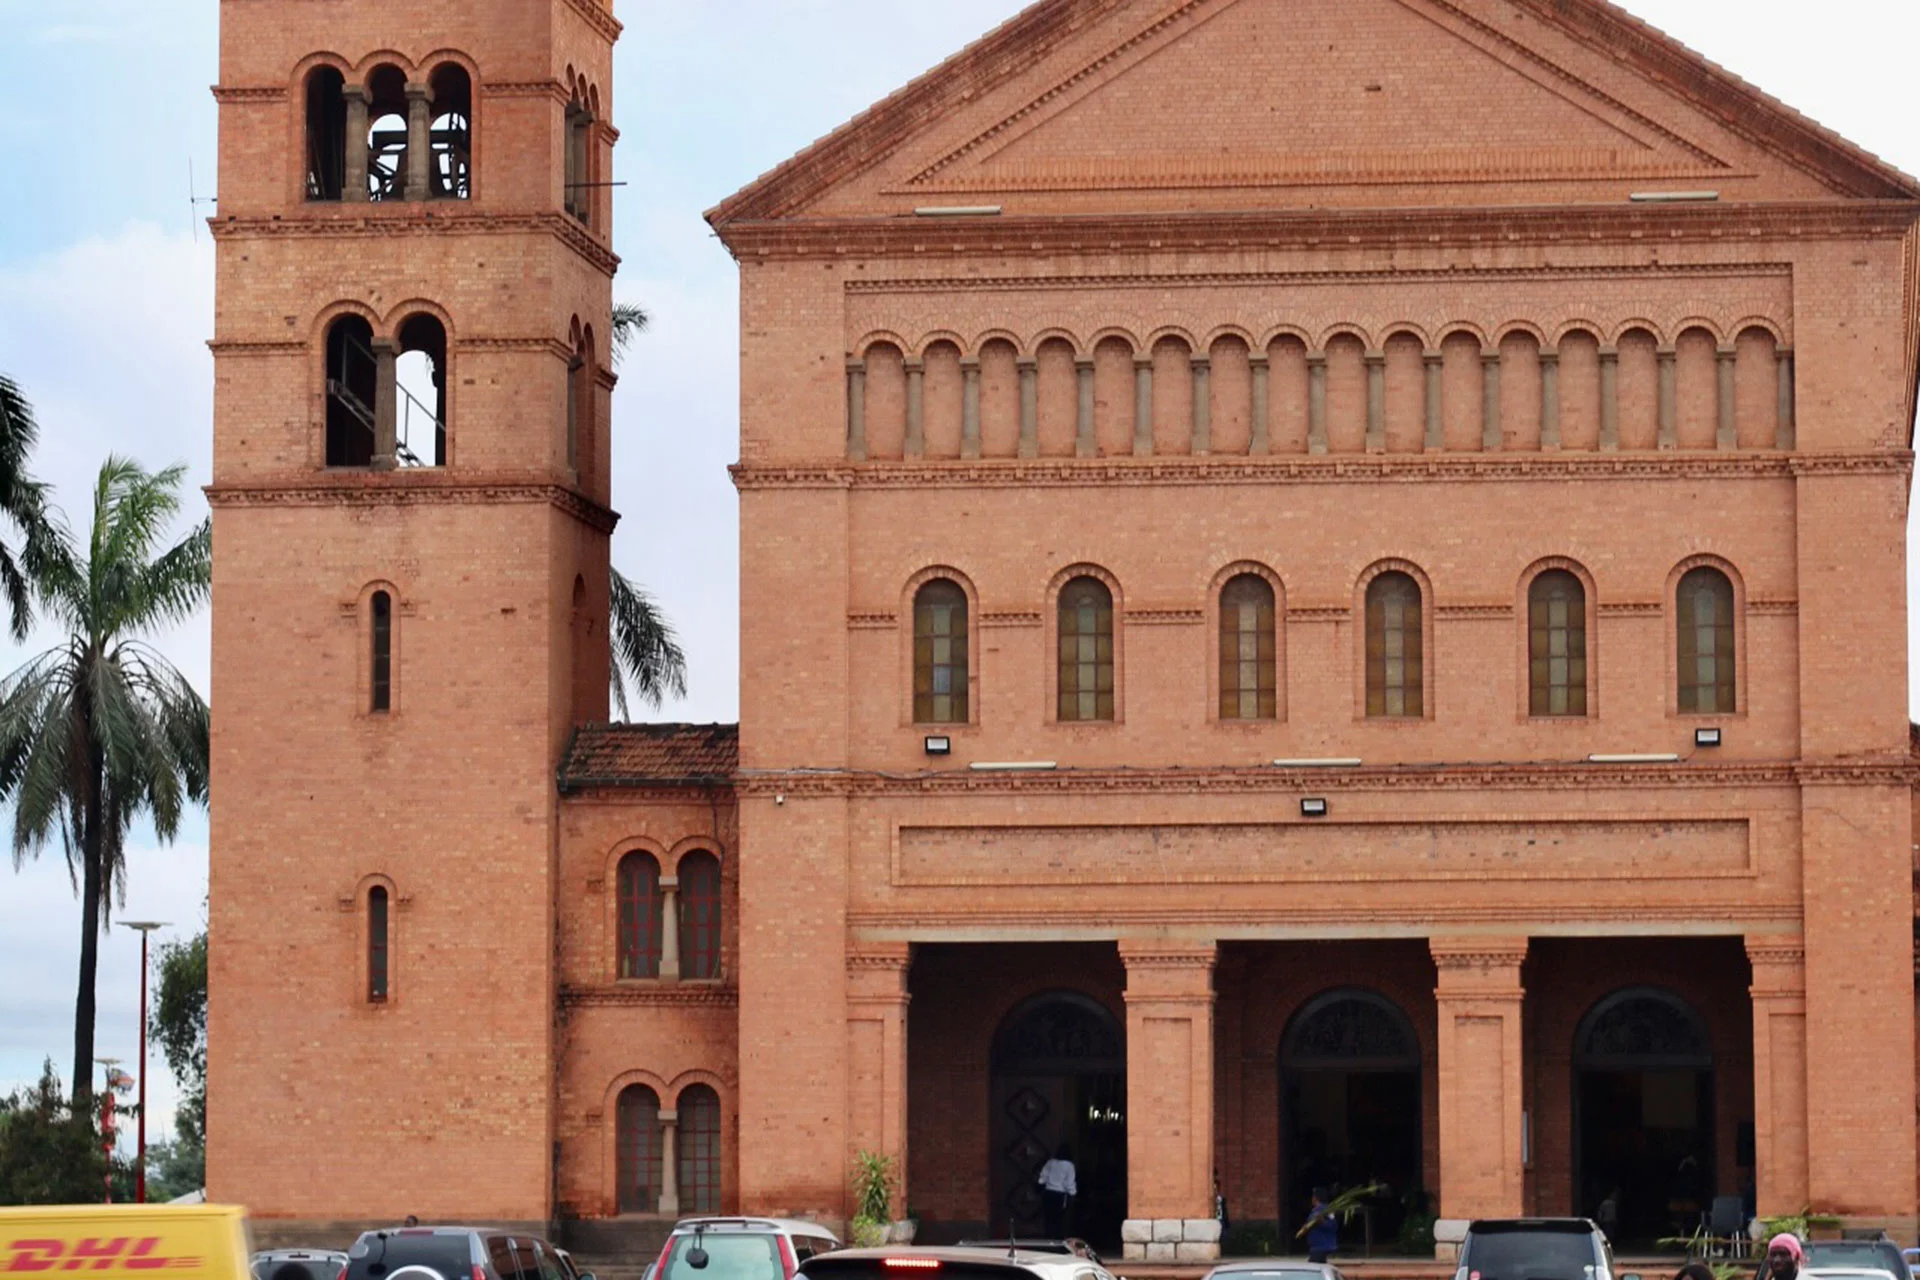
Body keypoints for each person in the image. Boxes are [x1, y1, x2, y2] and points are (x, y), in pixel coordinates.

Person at [1036, 1144, 1077, 1239]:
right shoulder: (1069, 1166)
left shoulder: (1050, 1162)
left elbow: (1043, 1177)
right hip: (1060, 1196)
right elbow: (1069, 1183)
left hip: (1048, 1194)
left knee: (1048, 1219)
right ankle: (1058, 1242)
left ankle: (1048, 1240)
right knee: (1060, 1220)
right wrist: (1073, 1194)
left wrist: (1039, 1187)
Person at [1306, 1188, 1339, 1264]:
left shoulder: (1327, 1210)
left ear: (1315, 1198)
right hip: (1316, 1246)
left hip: (1322, 1246)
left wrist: (1322, 1222)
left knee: (1313, 1266)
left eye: (1313, 1196)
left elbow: (1333, 1226)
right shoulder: (1314, 1211)